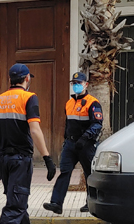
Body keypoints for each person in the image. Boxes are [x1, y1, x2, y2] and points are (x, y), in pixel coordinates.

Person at [0, 64, 56, 224]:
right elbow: (34, 130)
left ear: (10, 80)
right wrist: (47, 158)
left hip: (4, 159)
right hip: (19, 160)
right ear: (26, 79)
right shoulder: (29, 97)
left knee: (17, 201)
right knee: (16, 205)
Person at [43, 72, 103, 214]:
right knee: (64, 172)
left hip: (86, 145)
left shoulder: (92, 103)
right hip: (70, 145)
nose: (76, 86)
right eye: (74, 83)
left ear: (86, 84)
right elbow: (68, 124)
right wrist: (66, 140)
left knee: (90, 174)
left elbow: (97, 124)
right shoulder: (69, 103)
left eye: (79, 83)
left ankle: (91, 203)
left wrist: (84, 139)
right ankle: (56, 203)